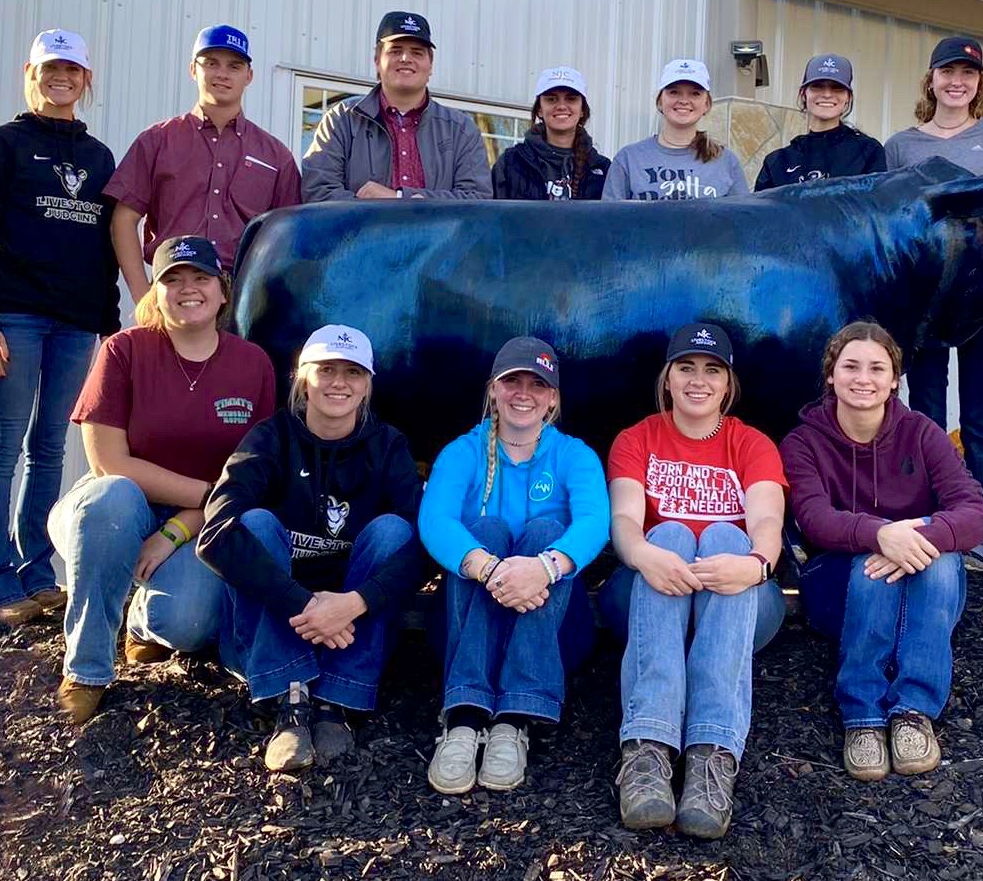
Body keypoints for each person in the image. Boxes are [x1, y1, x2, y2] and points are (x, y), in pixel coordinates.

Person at [48, 236, 278, 725]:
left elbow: (253, 473)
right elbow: (110, 462)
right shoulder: (124, 350)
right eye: (172, 279)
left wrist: (179, 528)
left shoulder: (252, 364)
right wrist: (208, 498)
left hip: (197, 520)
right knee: (113, 500)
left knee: (190, 626)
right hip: (112, 508)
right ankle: (87, 669)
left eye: (201, 278)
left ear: (223, 291)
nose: (187, 288)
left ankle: (141, 621)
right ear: (155, 293)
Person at [195, 324, 425, 771]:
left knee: (395, 532)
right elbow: (216, 531)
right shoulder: (270, 438)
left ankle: (337, 700)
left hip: (352, 622)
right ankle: (289, 699)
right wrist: (304, 605)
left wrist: (355, 603)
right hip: (278, 619)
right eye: (327, 370)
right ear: (303, 378)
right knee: (253, 522)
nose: (339, 382)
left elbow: (426, 544)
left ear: (368, 385)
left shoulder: (388, 446)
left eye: (353, 372)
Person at [781, 321, 983, 779]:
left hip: (920, 584)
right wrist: (880, 535)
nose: (864, 378)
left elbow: (976, 512)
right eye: (851, 366)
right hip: (839, 589)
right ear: (830, 375)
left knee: (942, 560)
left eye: (877, 368)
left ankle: (913, 710)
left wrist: (918, 537)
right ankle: (863, 713)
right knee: (869, 568)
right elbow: (813, 517)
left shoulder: (922, 433)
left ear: (894, 379)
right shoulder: (803, 442)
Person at [0, 29, 119, 631]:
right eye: (51, 68)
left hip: (77, 325)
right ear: (31, 72)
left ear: (85, 80)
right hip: (16, 318)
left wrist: (106, 323)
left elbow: (103, 246)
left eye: (73, 70)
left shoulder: (99, 157)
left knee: (50, 448)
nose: (62, 78)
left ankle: (36, 572)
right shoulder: (6, 144)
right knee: (2, 445)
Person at [604, 323, 786, 839]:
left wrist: (752, 565)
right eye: (686, 368)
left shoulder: (750, 443)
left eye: (712, 371)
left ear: (728, 385)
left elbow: (768, 524)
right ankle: (648, 752)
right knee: (673, 536)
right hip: (649, 597)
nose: (698, 381)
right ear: (667, 378)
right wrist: (646, 554)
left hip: (740, 598)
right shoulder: (636, 438)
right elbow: (623, 523)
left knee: (730, 537)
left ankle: (711, 756)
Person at [417, 338, 608, 794]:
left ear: (553, 398)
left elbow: (596, 523)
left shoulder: (574, 455)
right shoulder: (462, 452)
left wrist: (542, 568)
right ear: (493, 390)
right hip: (466, 628)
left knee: (546, 532)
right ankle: (464, 717)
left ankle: (514, 718)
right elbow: (434, 519)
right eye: (512, 382)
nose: (524, 394)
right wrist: (490, 569)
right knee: (484, 531)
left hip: (552, 630)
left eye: (537, 384)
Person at [885, 35, 983, 536]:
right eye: (948, 73)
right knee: (924, 412)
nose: (957, 82)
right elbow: (893, 232)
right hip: (925, 303)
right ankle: (929, 519)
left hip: (982, 300)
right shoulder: (902, 146)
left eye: (967, 74)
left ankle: (976, 530)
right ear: (932, 80)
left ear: (978, 83)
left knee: (981, 416)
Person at [105, 25, 301, 303]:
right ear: (193, 69)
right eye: (211, 63)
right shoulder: (157, 140)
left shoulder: (275, 155)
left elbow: (289, 237)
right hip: (172, 287)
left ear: (249, 76)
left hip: (244, 297)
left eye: (234, 66)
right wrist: (142, 296)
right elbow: (124, 219)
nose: (222, 74)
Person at [302, 11, 493, 201]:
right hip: (361, 233)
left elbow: (476, 200)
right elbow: (318, 192)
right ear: (377, 61)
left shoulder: (461, 130)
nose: (405, 58)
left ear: (431, 65)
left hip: (437, 234)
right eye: (395, 50)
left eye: (417, 52)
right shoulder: (342, 120)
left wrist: (400, 198)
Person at [602, 60, 748, 200]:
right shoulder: (629, 159)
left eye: (695, 93)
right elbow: (610, 220)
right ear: (660, 101)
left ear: (707, 104)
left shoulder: (726, 161)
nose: (684, 100)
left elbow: (743, 220)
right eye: (674, 92)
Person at [753, 54, 886, 190]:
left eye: (837, 87)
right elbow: (761, 210)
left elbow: (876, 206)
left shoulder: (869, 151)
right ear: (804, 94)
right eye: (817, 86)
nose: (827, 94)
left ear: (848, 97)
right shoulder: (777, 162)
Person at [491, 67, 612, 199]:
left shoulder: (602, 169)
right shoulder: (510, 163)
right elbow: (490, 215)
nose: (561, 106)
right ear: (539, 110)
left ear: (582, 110)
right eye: (551, 99)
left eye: (571, 99)